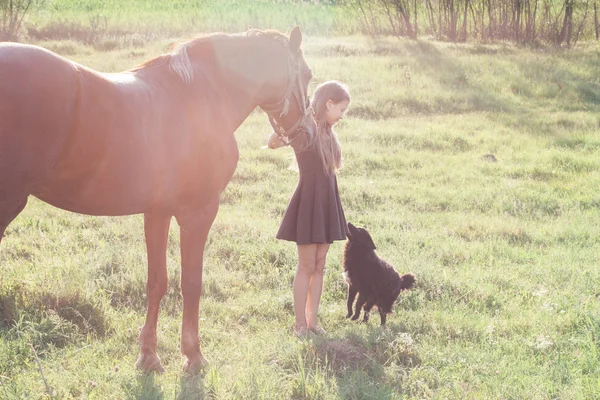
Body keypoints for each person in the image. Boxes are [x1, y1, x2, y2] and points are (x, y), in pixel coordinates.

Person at [268, 80, 350, 336]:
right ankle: (299, 324)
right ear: (329, 104)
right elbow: (272, 141)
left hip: (326, 201)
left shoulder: (328, 132)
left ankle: (312, 321)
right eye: (342, 110)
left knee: (320, 264)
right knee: (306, 265)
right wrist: (282, 136)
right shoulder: (307, 127)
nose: (342, 116)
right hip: (308, 200)